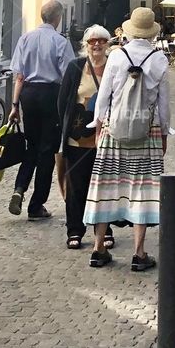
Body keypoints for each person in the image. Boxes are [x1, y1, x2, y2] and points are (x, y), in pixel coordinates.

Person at [85, 6, 170, 272]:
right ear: (152, 32)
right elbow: (165, 105)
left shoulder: (116, 56)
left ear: (130, 30)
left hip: (114, 129)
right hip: (148, 130)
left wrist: (99, 125)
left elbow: (104, 96)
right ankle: (138, 253)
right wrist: (165, 132)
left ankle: (98, 249)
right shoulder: (159, 60)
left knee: (105, 186)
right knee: (143, 189)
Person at [7, 0, 74, 220]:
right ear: (58, 18)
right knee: (47, 151)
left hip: (28, 94)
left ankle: (19, 188)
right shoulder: (60, 42)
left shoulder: (25, 38)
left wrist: (15, 106)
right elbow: (68, 77)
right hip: (50, 96)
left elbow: (19, 76)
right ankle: (36, 205)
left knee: (32, 146)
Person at [57, 25, 112, 250]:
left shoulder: (113, 66)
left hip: (105, 139)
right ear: (86, 45)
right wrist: (66, 129)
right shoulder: (75, 66)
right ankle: (74, 231)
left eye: (100, 41)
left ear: (107, 43)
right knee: (77, 186)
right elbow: (63, 101)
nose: (96, 44)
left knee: (103, 186)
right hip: (77, 139)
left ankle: (104, 230)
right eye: (92, 41)